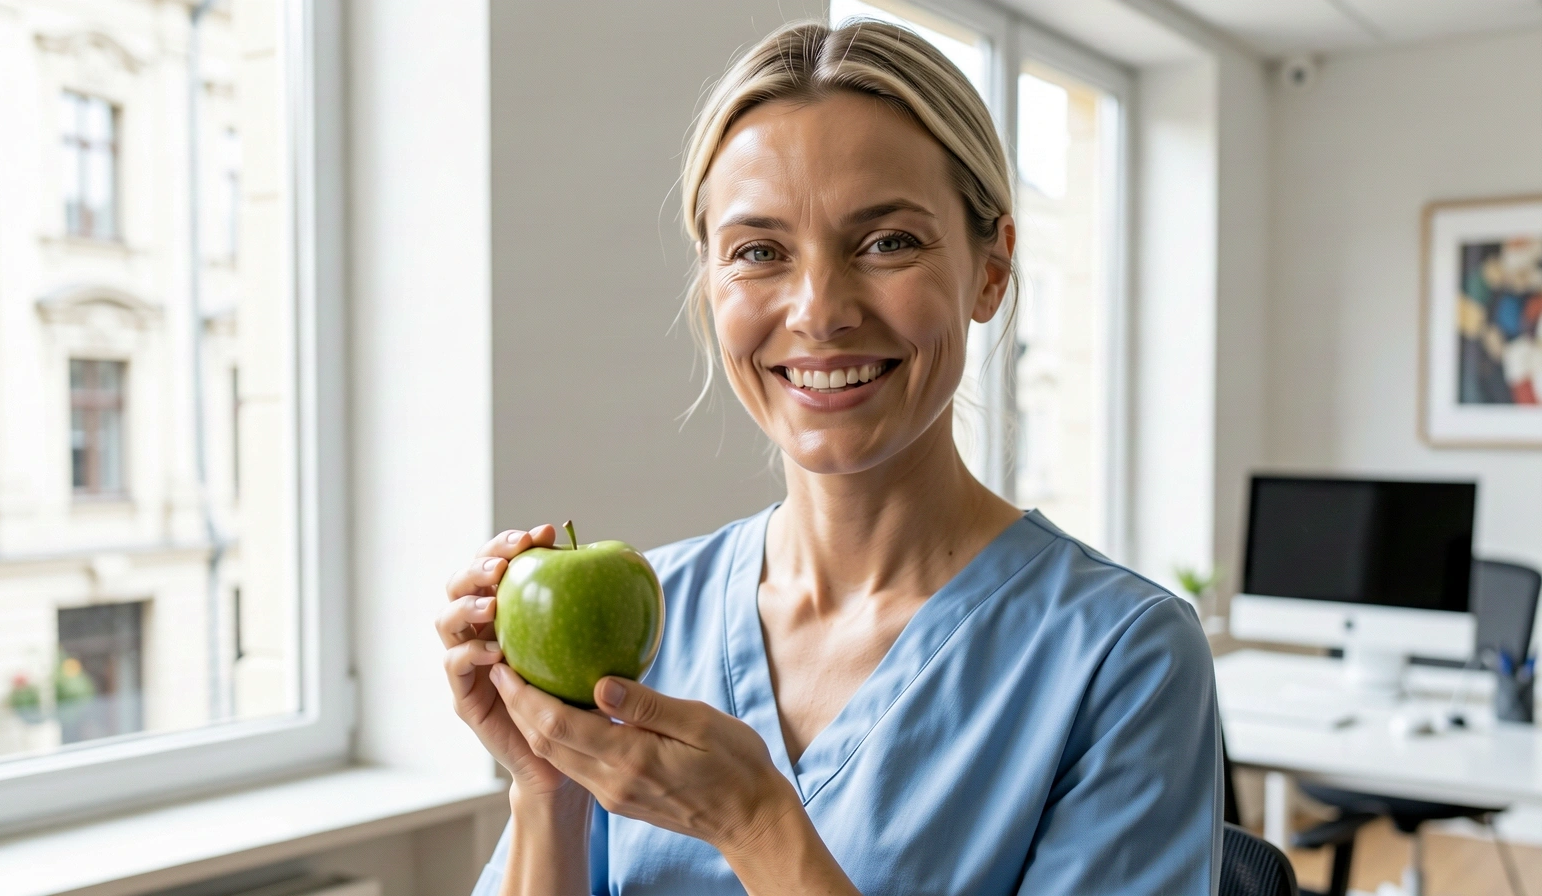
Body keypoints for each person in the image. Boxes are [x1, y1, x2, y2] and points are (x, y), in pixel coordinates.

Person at [437, 18, 1221, 895]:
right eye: (759, 252)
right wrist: (545, 787)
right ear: (710, 284)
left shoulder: (1121, 657)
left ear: (991, 268)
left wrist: (757, 825)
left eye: (887, 242)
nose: (819, 310)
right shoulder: (651, 625)